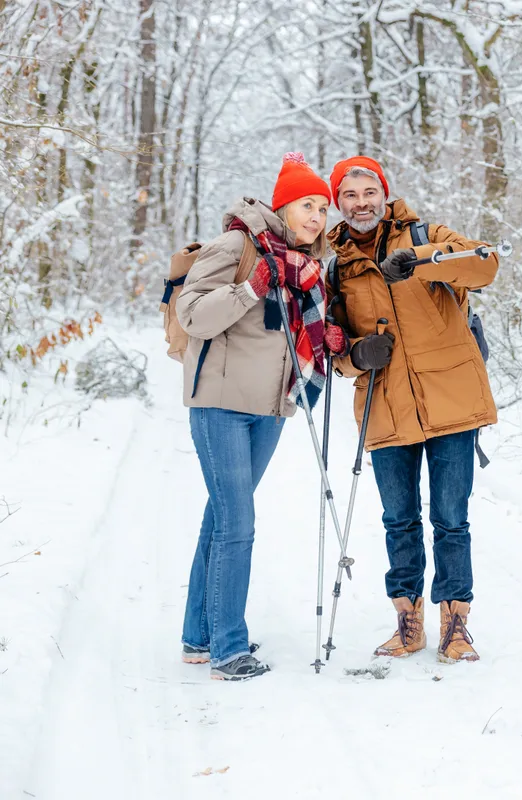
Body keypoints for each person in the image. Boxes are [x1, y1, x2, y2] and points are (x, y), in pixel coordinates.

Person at [176, 153, 347, 681]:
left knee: (222, 518)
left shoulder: (307, 266)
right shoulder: (238, 246)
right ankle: (229, 650)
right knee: (238, 524)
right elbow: (193, 314)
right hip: (220, 405)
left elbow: (299, 335)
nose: (317, 217)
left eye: (323, 208)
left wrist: (329, 345)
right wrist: (253, 285)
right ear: (282, 206)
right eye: (306, 206)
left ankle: (198, 637)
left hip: (271, 409)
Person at [326, 156, 498, 664]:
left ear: (384, 193)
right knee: (399, 520)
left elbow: (485, 263)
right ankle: (408, 622)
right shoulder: (335, 266)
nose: (362, 204)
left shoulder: (425, 233)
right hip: (385, 405)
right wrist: (355, 356)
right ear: (340, 203)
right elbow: (329, 342)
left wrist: (422, 258)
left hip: (451, 400)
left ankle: (456, 625)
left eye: (369, 192)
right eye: (350, 196)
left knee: (451, 519)